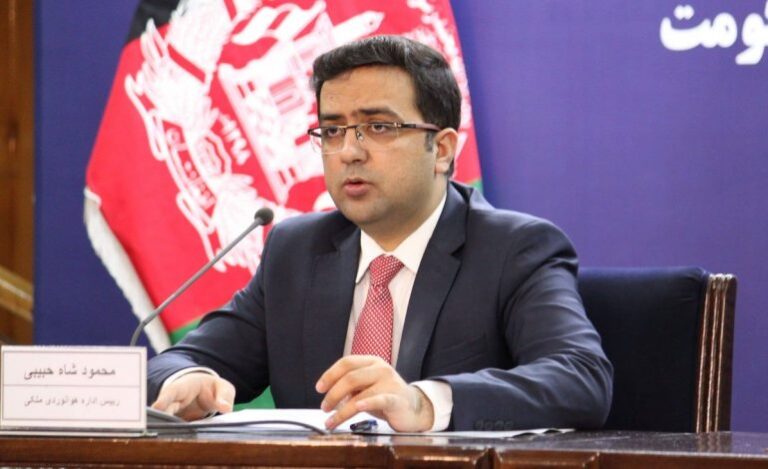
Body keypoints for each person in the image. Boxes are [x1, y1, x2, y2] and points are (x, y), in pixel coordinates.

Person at [148, 35, 613, 432]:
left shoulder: (513, 249)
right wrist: (184, 381)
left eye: (378, 127)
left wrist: (423, 403)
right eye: (332, 131)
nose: (349, 151)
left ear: (442, 149)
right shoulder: (296, 251)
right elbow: (175, 363)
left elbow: (580, 378)